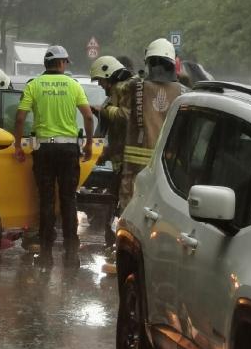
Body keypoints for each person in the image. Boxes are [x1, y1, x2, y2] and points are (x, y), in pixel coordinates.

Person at [105, 38, 183, 274]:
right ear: (172, 64)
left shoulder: (134, 86)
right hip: (167, 167)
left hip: (135, 165)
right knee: (165, 215)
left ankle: (123, 255)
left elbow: (113, 89)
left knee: (129, 210)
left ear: (148, 62)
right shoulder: (183, 92)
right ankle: (160, 259)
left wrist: (106, 109)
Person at [14, 45, 94, 269]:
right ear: (62, 63)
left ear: (46, 64)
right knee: (69, 200)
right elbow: (88, 117)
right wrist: (88, 143)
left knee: (47, 200)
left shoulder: (34, 85)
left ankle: (46, 252)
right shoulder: (73, 85)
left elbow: (20, 118)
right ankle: (71, 252)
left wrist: (17, 145)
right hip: (69, 150)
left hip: (44, 151)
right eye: (66, 62)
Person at [89, 56, 134, 246]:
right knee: (115, 204)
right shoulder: (117, 94)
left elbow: (125, 121)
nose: (101, 85)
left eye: (101, 81)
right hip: (122, 163)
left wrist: (104, 110)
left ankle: (120, 246)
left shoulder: (121, 90)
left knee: (122, 207)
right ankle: (115, 244)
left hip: (127, 165)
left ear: (109, 75)